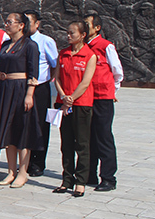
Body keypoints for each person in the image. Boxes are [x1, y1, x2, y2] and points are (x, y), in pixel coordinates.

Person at [0, 12, 41, 189]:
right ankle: (11, 171)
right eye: (6, 21)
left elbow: (34, 72)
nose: (7, 24)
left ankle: (23, 172)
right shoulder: (5, 45)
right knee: (8, 130)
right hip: (5, 89)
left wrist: (29, 94)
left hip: (20, 89)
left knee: (21, 130)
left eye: (10, 22)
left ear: (21, 25)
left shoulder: (29, 45)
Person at [53, 20, 97, 197]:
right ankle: (67, 179)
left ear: (83, 35)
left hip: (81, 104)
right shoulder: (63, 54)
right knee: (66, 143)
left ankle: (81, 181)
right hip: (64, 104)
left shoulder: (90, 55)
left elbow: (85, 82)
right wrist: (63, 96)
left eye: (72, 33)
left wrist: (71, 98)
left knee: (82, 143)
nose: (68, 36)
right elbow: (56, 78)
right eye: (68, 33)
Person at [83, 12, 124, 192]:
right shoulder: (82, 47)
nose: (84, 28)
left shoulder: (105, 46)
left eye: (87, 25)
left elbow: (117, 71)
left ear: (97, 28)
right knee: (87, 136)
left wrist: (112, 90)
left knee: (103, 137)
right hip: (85, 98)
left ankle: (108, 177)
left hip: (102, 98)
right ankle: (89, 173)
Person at [25, 10, 59, 177]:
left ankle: (38, 162)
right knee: (24, 124)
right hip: (22, 87)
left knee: (40, 125)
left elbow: (55, 64)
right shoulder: (20, 41)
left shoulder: (46, 41)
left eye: (28, 22)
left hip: (40, 88)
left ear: (37, 24)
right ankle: (25, 161)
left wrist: (47, 80)